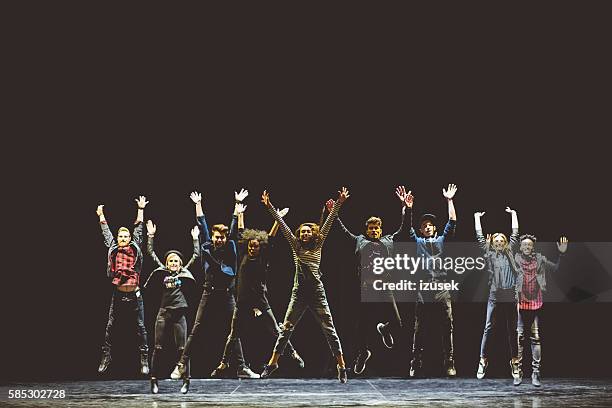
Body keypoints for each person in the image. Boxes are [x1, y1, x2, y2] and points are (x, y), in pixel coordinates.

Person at [260, 187, 350, 383]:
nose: (305, 234)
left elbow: (329, 221)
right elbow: (282, 225)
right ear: (299, 234)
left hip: (317, 293)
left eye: (308, 231)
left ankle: (341, 366)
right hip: (299, 293)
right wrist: (269, 207)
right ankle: (273, 363)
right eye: (302, 232)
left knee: (330, 330)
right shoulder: (295, 245)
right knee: (286, 329)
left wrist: (339, 201)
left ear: (313, 233)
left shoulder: (318, 244)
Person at [172, 189, 260, 380]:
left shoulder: (230, 247)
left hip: (227, 294)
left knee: (234, 330)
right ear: (212, 236)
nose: (218, 240)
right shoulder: (207, 245)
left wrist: (237, 206)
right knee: (196, 329)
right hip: (209, 293)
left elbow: (235, 225)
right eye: (216, 237)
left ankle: (241, 367)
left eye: (221, 237)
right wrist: (198, 204)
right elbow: (202, 223)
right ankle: (181, 365)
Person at [212, 205, 304, 376]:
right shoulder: (243, 255)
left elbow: (272, 237)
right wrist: (240, 214)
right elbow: (240, 233)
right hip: (242, 302)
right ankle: (224, 362)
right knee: (233, 334)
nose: (252, 248)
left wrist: (277, 219)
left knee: (276, 330)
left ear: (260, 247)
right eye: (250, 246)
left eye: (255, 246)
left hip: (261, 301)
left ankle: (292, 353)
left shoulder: (264, 257)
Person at [328, 186, 412, 375]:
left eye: (377, 228)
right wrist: (335, 210)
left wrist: (406, 208)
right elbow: (340, 231)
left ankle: (384, 329)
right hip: (365, 288)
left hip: (385, 287)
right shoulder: (359, 241)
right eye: (371, 228)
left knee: (398, 323)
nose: (374, 230)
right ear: (367, 229)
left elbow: (405, 228)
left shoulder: (389, 240)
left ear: (381, 230)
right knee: (362, 327)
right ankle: (362, 353)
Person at [408, 184, 458, 378]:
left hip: (442, 288)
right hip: (423, 289)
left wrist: (449, 200)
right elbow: (407, 228)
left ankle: (450, 361)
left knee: (447, 324)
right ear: (421, 230)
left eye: (430, 224)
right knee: (420, 327)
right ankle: (415, 361)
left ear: (434, 228)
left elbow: (452, 221)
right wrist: (408, 209)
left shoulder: (441, 240)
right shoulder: (418, 242)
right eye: (424, 225)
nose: (427, 226)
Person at [96, 196, 150, 376]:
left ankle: (144, 358)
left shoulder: (135, 248)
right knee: (110, 326)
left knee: (141, 326)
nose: (123, 238)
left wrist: (141, 209)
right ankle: (106, 356)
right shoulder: (113, 247)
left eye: (126, 236)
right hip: (118, 293)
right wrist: (101, 215)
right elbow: (106, 232)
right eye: (121, 236)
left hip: (134, 293)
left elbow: (139, 230)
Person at [144, 220, 199, 394]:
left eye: (176, 261)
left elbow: (196, 255)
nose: (173, 263)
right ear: (167, 263)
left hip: (179, 314)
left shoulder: (184, 272)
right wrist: (150, 236)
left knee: (183, 349)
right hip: (164, 313)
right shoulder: (163, 271)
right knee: (158, 347)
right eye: (170, 261)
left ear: (180, 263)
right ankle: (154, 380)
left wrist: (195, 239)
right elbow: (150, 253)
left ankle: (186, 381)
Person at [474, 207, 521, 384]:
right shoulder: (489, 253)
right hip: (494, 295)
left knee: (513, 330)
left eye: (502, 239)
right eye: (496, 239)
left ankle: (515, 361)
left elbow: (515, 233)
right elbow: (480, 238)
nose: (500, 241)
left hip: (510, 295)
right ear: (493, 243)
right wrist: (476, 218)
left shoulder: (510, 252)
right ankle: (482, 360)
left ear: (506, 242)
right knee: (488, 327)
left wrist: (514, 214)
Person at [515, 234, 568, 386]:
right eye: (524, 245)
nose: (527, 247)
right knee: (519, 337)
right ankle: (517, 371)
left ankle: (536, 372)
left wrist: (561, 254)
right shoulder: (515, 259)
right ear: (520, 247)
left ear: (533, 247)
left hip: (535, 303)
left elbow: (556, 269)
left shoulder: (540, 259)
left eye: (529, 245)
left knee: (535, 337)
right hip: (519, 303)